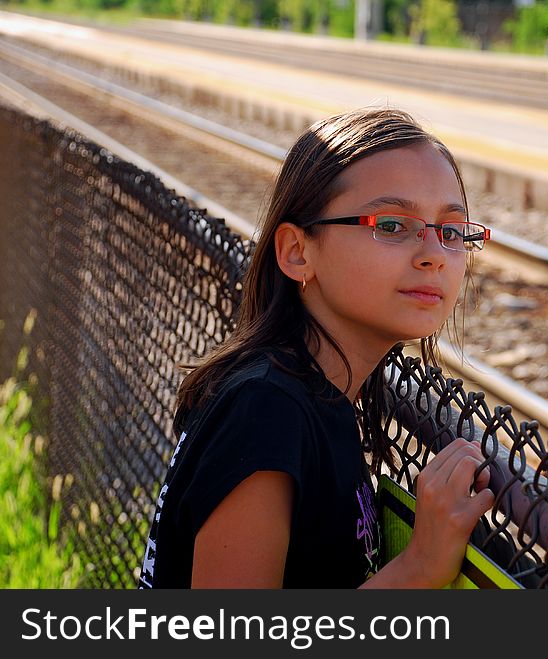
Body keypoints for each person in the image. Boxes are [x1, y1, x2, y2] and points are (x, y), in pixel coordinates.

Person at [138, 106, 495, 589]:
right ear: (298, 252)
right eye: (391, 225)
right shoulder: (265, 411)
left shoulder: (317, 396)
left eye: (451, 231)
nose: (434, 254)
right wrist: (420, 566)